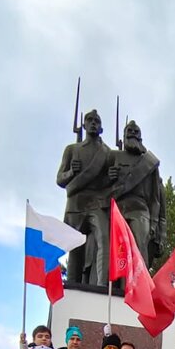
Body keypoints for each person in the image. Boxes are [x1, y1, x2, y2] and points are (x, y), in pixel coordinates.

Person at [57, 108, 112, 286]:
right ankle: (72, 286)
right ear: (84, 125)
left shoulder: (107, 153)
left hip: (97, 203)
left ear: (101, 128)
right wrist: (72, 172)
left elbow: (109, 183)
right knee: (75, 248)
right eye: (90, 120)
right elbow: (60, 179)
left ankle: (102, 286)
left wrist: (111, 176)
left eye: (97, 121)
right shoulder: (72, 150)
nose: (93, 123)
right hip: (76, 204)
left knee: (104, 239)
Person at [110, 119, 165, 266]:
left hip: (140, 210)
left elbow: (156, 199)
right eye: (130, 131)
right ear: (124, 135)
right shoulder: (113, 156)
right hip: (116, 209)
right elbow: (100, 186)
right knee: (113, 252)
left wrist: (154, 225)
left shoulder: (149, 163)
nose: (133, 134)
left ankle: (140, 279)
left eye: (136, 132)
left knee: (140, 248)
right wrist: (109, 178)